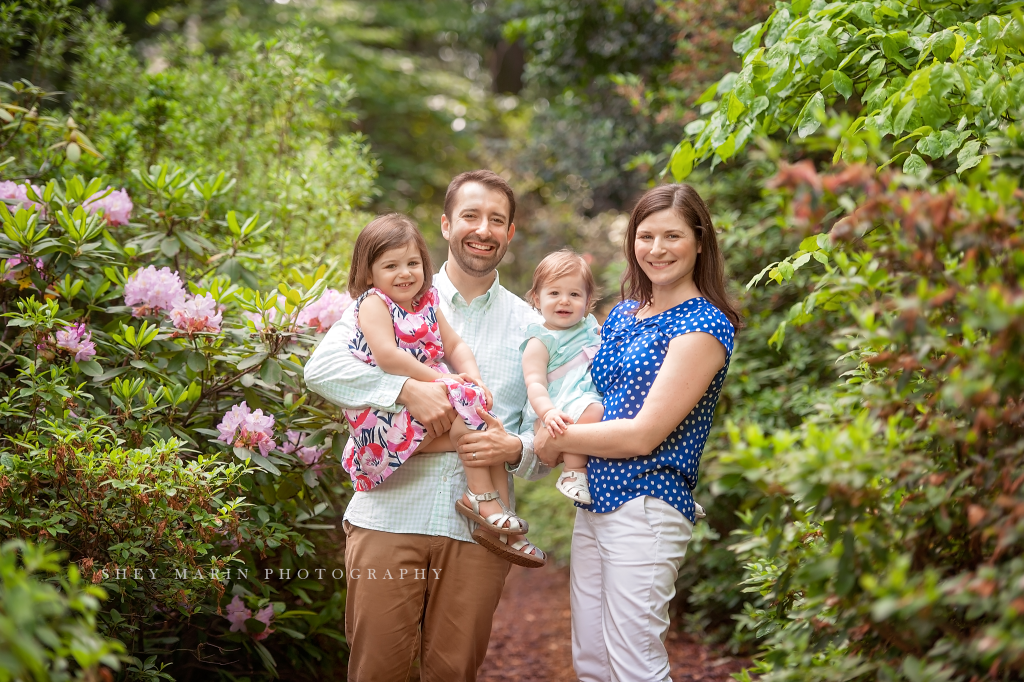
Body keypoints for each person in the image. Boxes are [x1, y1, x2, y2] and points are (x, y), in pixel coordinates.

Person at [304, 170, 548, 682]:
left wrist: (513, 447)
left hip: (480, 534)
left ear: (510, 231)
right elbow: (322, 370)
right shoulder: (391, 289)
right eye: (470, 216)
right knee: (377, 672)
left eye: (496, 220)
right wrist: (404, 389)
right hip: (390, 516)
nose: (483, 229)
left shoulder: (532, 324)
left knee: (452, 673)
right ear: (446, 224)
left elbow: (546, 433)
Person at [534, 184, 742, 682]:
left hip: (646, 505)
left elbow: (641, 435)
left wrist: (557, 442)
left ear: (698, 241)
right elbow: (582, 388)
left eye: (672, 235)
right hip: (595, 500)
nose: (656, 249)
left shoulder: (704, 326)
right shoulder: (623, 312)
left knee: (635, 663)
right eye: (645, 236)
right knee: (593, 659)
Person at [340, 212, 534, 545]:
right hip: (386, 414)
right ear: (368, 273)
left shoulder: (428, 302)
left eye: (413, 263)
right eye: (391, 266)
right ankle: (483, 499)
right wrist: (443, 381)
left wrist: (472, 380)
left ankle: (501, 520)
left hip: (422, 406)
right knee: (471, 423)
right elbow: (388, 356)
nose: (405, 273)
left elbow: (455, 345)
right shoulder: (374, 303)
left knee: (485, 432)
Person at [519, 249, 604, 505]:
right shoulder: (540, 341)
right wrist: (547, 413)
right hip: (556, 406)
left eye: (574, 294)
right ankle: (573, 473)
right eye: (554, 293)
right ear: (536, 298)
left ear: (588, 301)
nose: (564, 301)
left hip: (581, 394)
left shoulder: (590, 327)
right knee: (593, 410)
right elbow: (534, 382)